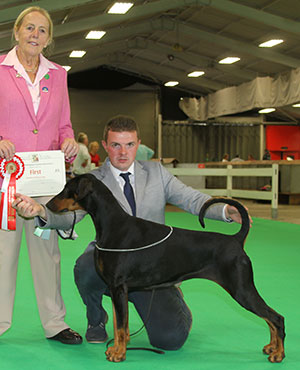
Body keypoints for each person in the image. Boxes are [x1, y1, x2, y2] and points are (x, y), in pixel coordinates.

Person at [13, 115, 250, 351]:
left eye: (129, 145)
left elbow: (192, 199)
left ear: (138, 144)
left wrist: (227, 211)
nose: (123, 152)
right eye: (116, 145)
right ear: (105, 146)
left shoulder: (157, 172)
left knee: (170, 339)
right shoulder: (94, 180)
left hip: (153, 267)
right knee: (86, 266)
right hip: (112, 261)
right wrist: (41, 211)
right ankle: (96, 319)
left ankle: (173, 294)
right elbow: (69, 217)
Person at [0, 6, 82, 344]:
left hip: (46, 178)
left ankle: (55, 323)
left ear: (49, 38)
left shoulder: (59, 74)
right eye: (29, 28)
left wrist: (69, 140)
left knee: (48, 251)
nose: (35, 35)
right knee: (3, 253)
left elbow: (64, 123)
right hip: (7, 178)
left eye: (42, 30)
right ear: (16, 31)